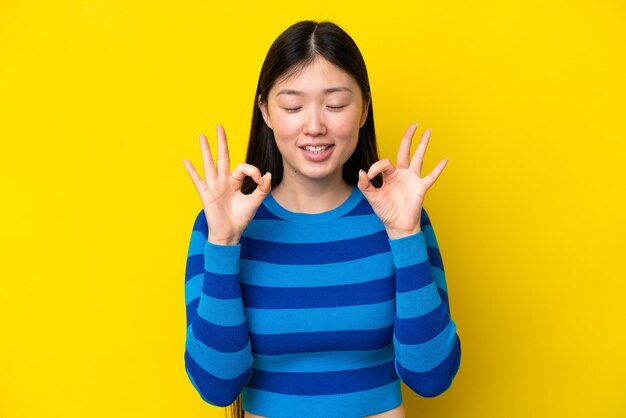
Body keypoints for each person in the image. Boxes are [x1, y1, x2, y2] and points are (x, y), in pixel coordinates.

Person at [182, 20, 461, 418]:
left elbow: (431, 376)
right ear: (265, 111)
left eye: (335, 104)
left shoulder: (402, 218)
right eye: (293, 106)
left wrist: (404, 234)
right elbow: (216, 385)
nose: (315, 126)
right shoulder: (221, 224)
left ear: (364, 108)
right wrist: (224, 244)